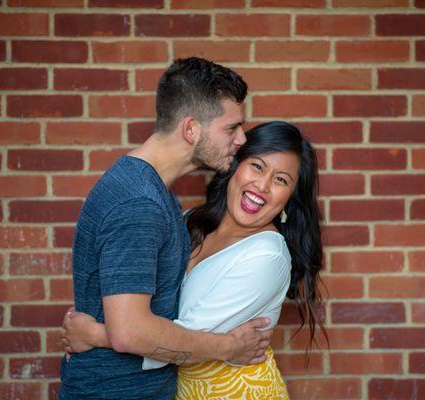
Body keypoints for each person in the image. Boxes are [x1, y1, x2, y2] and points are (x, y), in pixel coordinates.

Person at [58, 57, 274, 400]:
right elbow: (130, 331)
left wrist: (95, 332)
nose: (241, 139)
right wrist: (227, 348)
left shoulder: (154, 191)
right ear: (191, 129)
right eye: (231, 128)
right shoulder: (139, 204)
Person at [61, 121, 327, 399]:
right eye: (257, 166)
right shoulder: (191, 221)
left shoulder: (267, 256)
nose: (262, 185)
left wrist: (94, 334)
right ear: (235, 165)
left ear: (290, 197)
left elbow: (189, 335)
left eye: (281, 179)